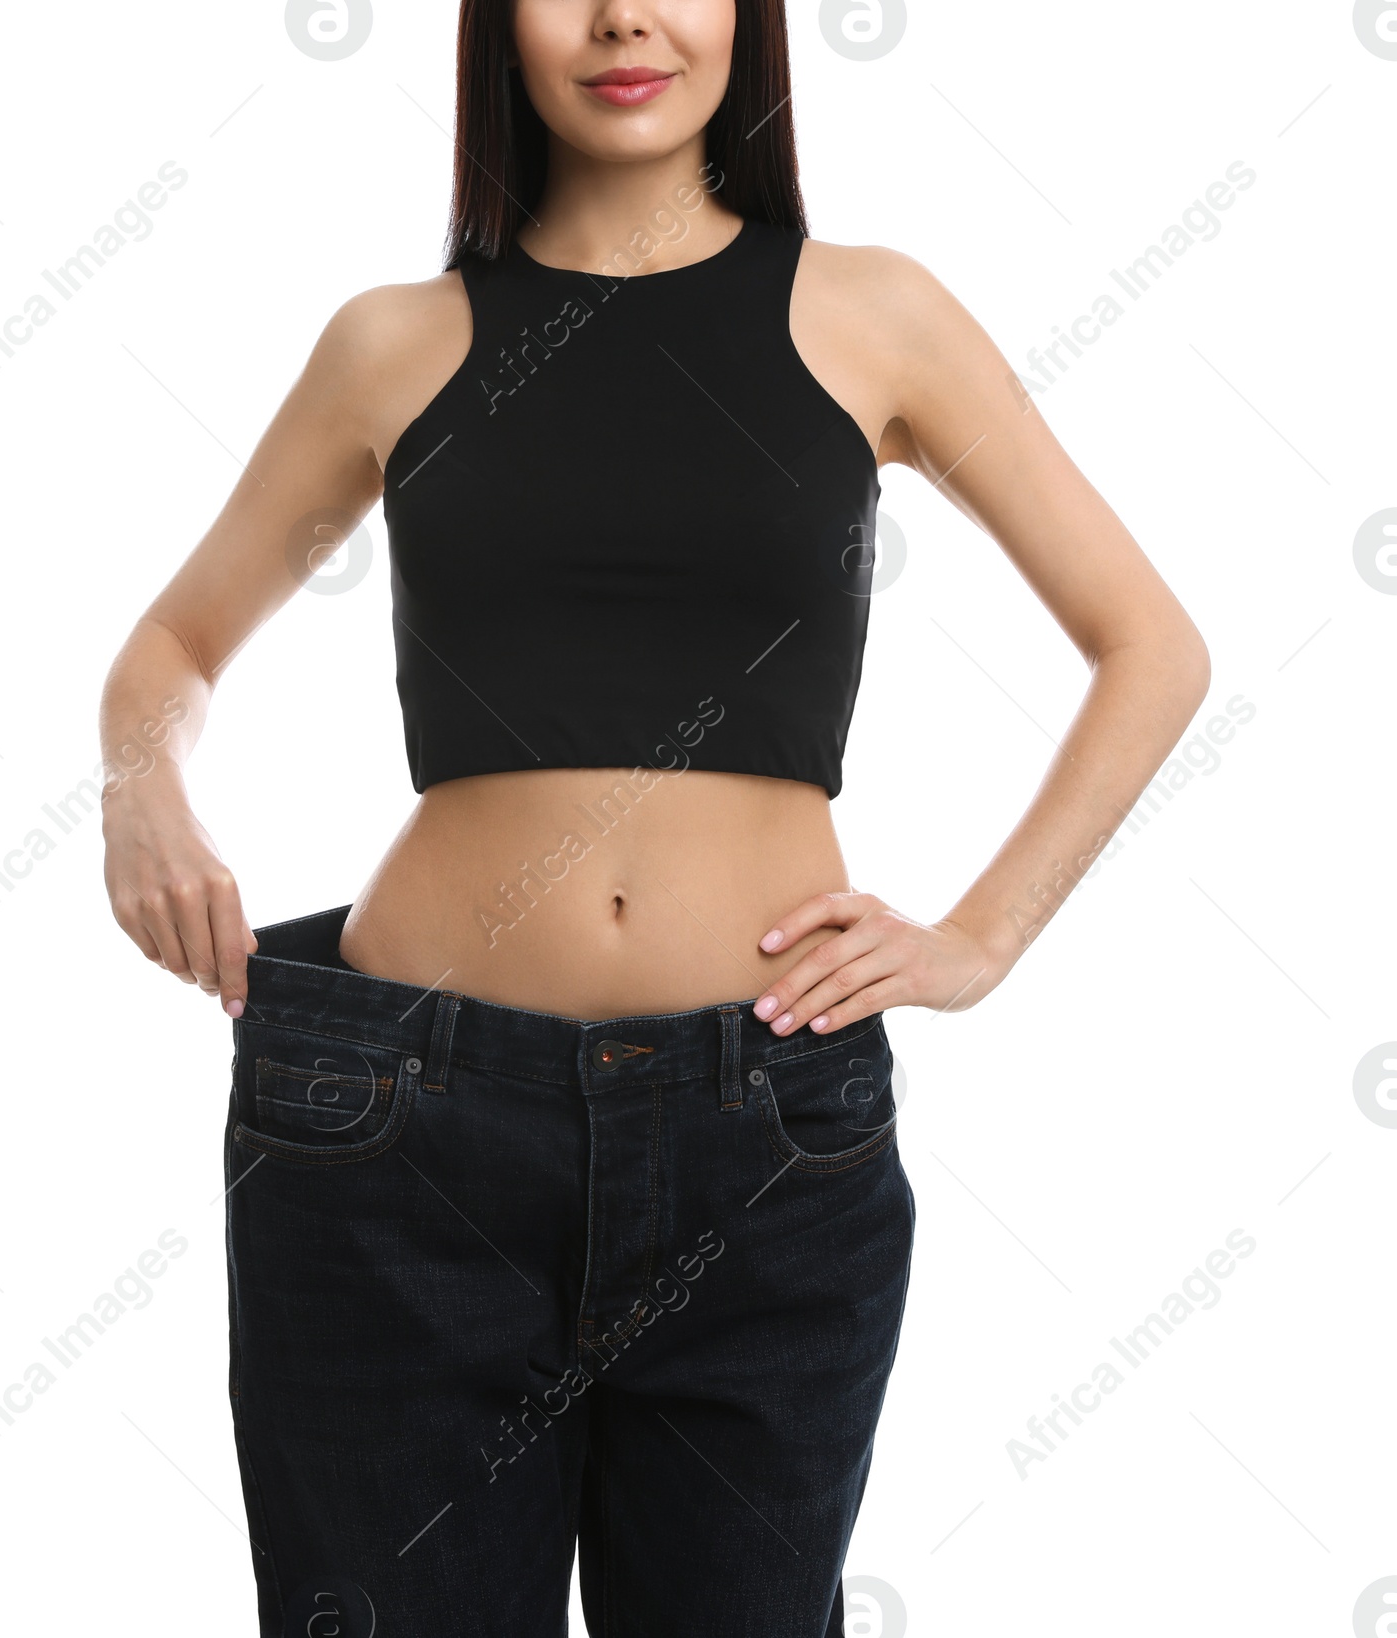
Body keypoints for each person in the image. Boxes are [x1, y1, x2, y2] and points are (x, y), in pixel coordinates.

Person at [98, 3, 1209, 1633]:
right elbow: (169, 648)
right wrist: (147, 796)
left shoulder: (872, 314)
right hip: (399, 1130)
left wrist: (981, 937)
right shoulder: (391, 341)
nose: (625, 16)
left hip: (764, 1132)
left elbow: (1152, 646)